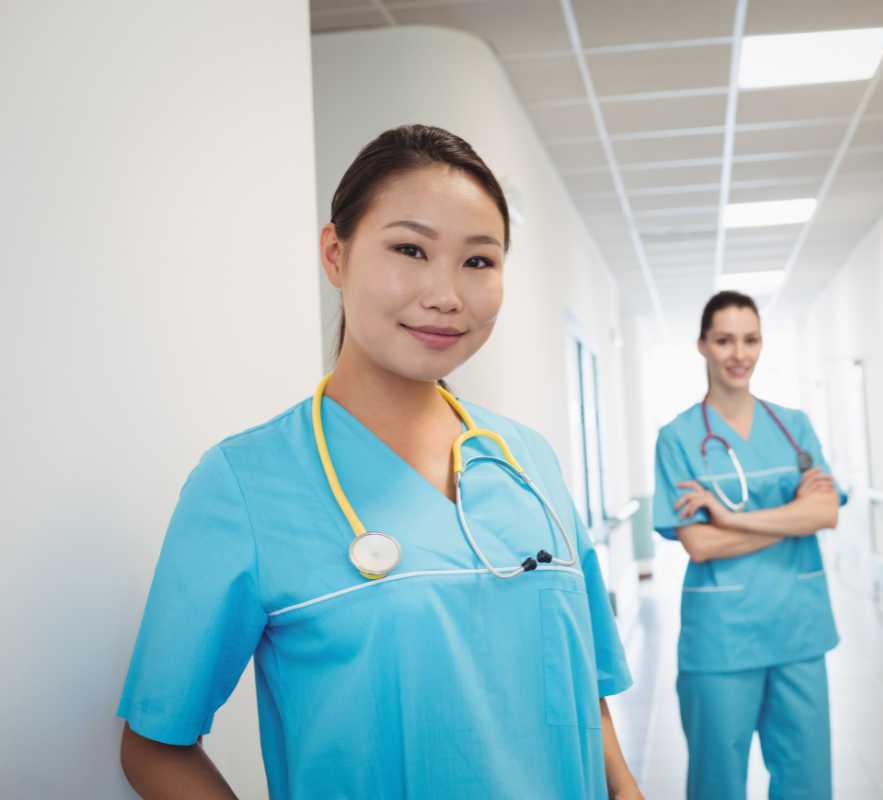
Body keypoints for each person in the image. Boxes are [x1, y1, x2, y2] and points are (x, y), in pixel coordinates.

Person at [118, 124, 642, 800]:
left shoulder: (527, 463)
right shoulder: (246, 484)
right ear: (335, 255)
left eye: (478, 261)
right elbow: (155, 746)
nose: (446, 294)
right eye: (410, 249)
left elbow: (586, 689)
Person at [652, 290, 842, 800]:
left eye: (751, 339)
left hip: (799, 632)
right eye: (725, 340)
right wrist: (791, 519)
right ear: (702, 346)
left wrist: (732, 517)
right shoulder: (678, 438)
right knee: (717, 782)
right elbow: (699, 545)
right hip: (721, 639)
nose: (740, 354)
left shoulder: (792, 425)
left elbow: (827, 511)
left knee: (807, 782)